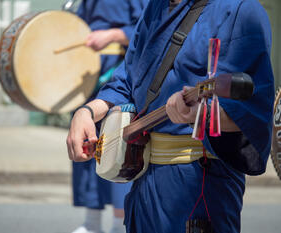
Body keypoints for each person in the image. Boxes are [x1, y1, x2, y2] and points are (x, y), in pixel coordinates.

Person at [67, 0, 275, 232]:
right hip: (144, 182)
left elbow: (252, 109)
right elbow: (126, 80)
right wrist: (87, 112)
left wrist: (200, 114)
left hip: (197, 184)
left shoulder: (241, 10)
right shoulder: (155, 6)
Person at [69, 1, 148, 233]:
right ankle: (91, 222)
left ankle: (118, 225)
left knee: (117, 152)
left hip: (120, 80)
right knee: (87, 148)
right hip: (90, 80)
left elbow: (150, 27)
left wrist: (114, 35)